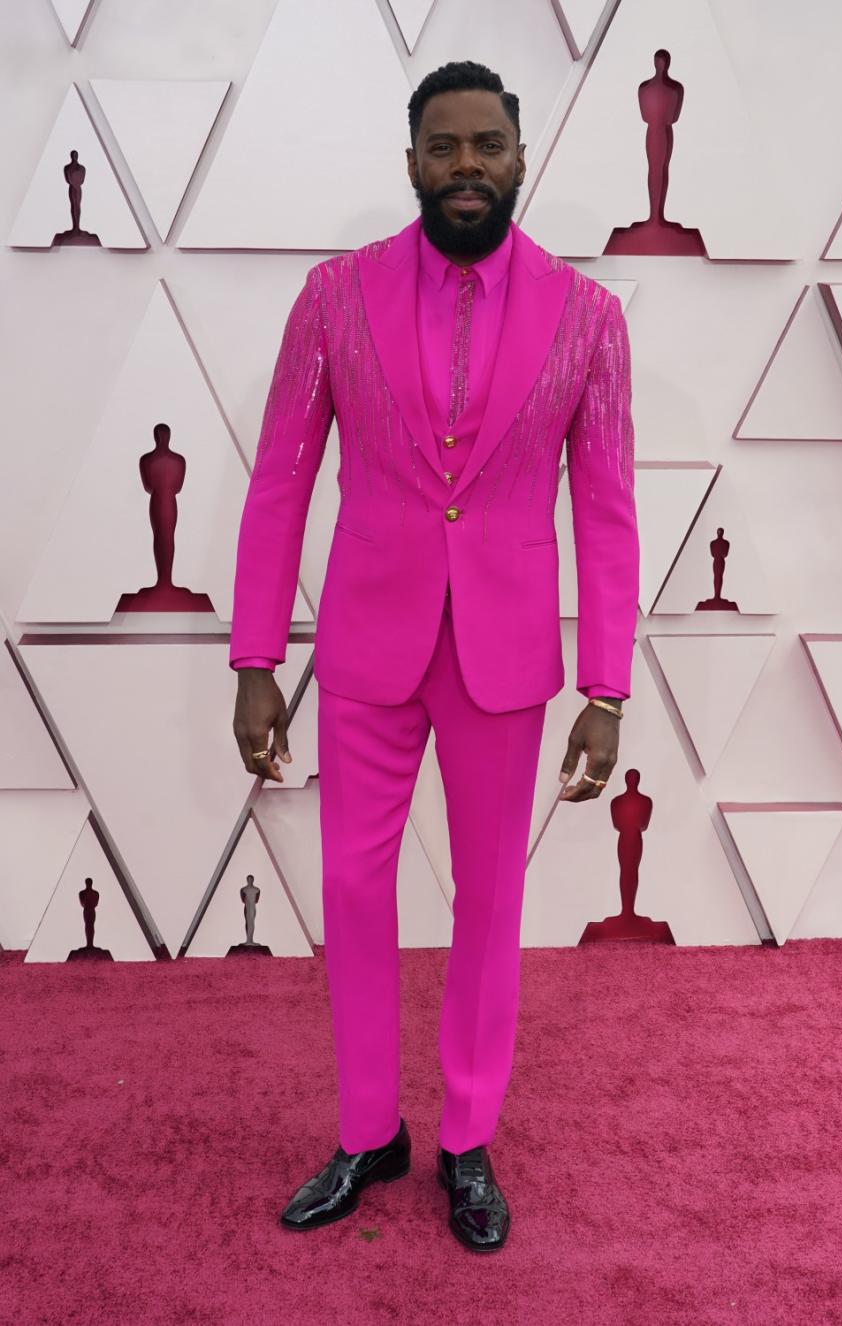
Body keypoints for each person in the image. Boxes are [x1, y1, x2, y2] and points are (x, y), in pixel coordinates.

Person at [229, 60, 640, 1253]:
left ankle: (466, 1139)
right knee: (355, 889)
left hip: (504, 655)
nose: (468, 166)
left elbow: (607, 513)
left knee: (488, 900)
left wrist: (606, 688)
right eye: (444, 146)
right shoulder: (332, 300)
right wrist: (256, 657)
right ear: (410, 162)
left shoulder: (588, 318)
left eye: (488, 146)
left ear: (521, 157)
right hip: (368, 640)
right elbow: (280, 484)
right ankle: (369, 1132)